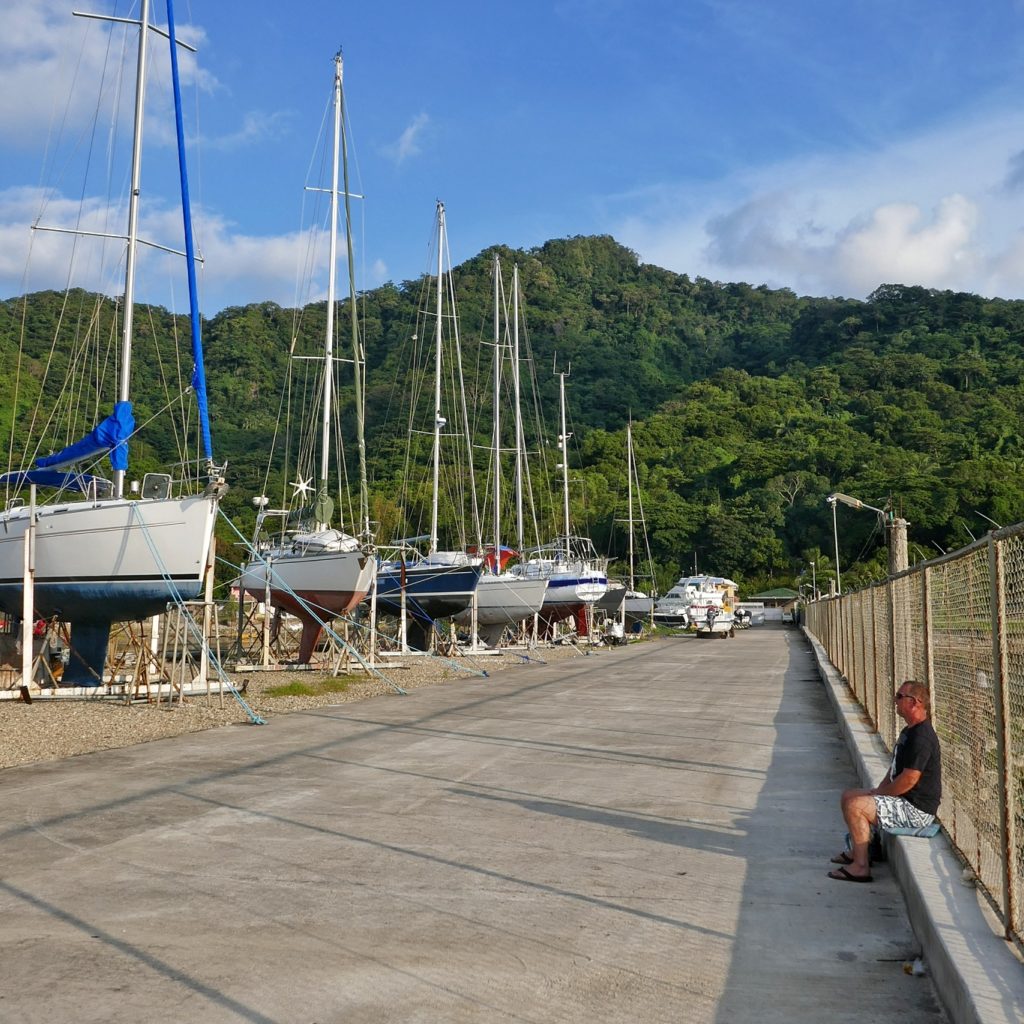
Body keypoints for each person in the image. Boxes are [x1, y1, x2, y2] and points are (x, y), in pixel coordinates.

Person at [828, 680, 942, 883]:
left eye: (899, 697)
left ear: (914, 702)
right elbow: (896, 767)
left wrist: (883, 795)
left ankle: (861, 867)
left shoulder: (922, 737)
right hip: (904, 801)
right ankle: (862, 850)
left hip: (916, 810)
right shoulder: (909, 731)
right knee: (849, 796)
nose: (895, 700)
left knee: (857, 807)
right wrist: (878, 790)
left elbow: (909, 779)